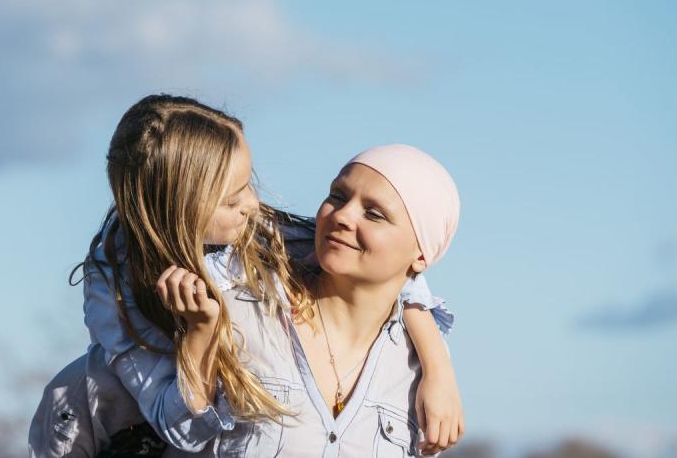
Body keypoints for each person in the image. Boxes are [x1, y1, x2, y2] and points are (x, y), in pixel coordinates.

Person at [29, 96, 461, 456]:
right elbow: (175, 423)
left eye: (248, 184)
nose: (254, 206)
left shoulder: (264, 240)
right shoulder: (119, 292)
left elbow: (393, 272)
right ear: (181, 209)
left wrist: (438, 368)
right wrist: (201, 333)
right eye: (232, 197)